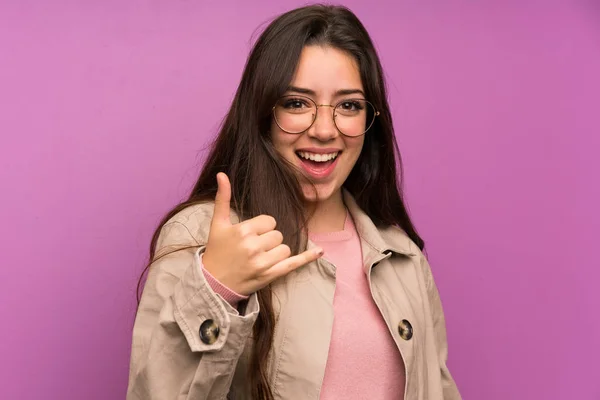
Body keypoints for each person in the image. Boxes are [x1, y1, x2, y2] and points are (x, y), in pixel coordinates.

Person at [127, 4, 461, 400]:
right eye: (297, 103)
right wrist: (215, 290)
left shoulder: (403, 258)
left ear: (371, 120)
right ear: (262, 113)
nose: (324, 130)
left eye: (349, 105)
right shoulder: (201, 237)